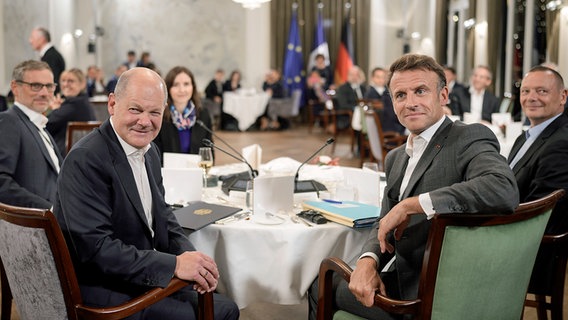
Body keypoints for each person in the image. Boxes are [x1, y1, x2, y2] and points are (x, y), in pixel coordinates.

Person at [308, 54, 519, 320]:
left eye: (420, 91)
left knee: (321, 285)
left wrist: (412, 204)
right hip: (401, 279)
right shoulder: (396, 157)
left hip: (441, 294)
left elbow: (502, 188)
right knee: (325, 281)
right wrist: (367, 261)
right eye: (400, 95)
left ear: (443, 96)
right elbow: (383, 221)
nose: (411, 103)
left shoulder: (468, 137)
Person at [53, 67, 239, 319]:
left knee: (224, 303)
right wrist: (174, 265)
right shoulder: (86, 159)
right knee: (221, 312)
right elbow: (96, 250)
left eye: (154, 112)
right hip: (101, 289)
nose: (145, 121)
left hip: (137, 271)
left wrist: (188, 255)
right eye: (135, 109)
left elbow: (164, 217)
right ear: (112, 104)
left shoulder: (150, 152)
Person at [507, 65, 568, 295]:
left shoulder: (561, 142)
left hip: (531, 251)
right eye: (526, 91)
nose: (531, 98)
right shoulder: (526, 137)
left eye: (541, 91)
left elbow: (540, 212)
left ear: (563, 96)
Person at [0, 60, 62, 208]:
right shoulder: (9, 121)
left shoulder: (39, 125)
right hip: (37, 224)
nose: (44, 93)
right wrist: (49, 211)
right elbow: (1, 182)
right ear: (15, 87)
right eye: (36, 86)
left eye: (49, 86)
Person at [153, 66, 213, 162]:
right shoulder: (160, 115)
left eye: (186, 84)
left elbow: (209, 151)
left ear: (193, 87)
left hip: (196, 173)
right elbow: (154, 154)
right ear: (168, 88)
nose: (182, 90)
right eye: (176, 84)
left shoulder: (203, 114)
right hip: (166, 174)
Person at [46, 68, 96, 156]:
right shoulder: (82, 101)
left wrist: (55, 110)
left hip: (65, 157)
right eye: (63, 81)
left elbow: (47, 125)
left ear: (82, 84)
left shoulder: (74, 104)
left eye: (71, 81)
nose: (65, 84)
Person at [364, 67, 405, 134]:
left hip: (395, 121)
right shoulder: (370, 94)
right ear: (372, 78)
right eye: (378, 77)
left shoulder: (388, 91)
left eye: (383, 77)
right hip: (385, 126)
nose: (381, 79)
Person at [28, 27, 66, 93]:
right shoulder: (49, 55)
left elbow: (52, 82)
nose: (30, 41)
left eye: (32, 38)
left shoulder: (51, 56)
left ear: (42, 39)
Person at [334, 65, 366, 133]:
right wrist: (357, 108)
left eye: (356, 75)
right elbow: (343, 105)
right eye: (352, 75)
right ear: (348, 75)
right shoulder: (342, 88)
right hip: (348, 116)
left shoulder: (363, 88)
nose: (354, 77)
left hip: (364, 113)